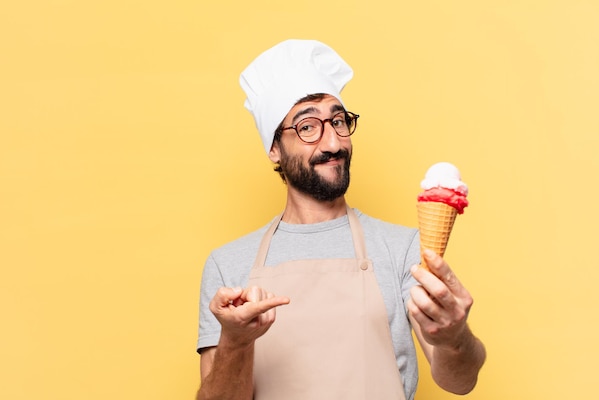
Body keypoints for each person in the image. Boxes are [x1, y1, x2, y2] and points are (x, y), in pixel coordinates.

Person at [196, 39, 486, 400]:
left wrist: (456, 337)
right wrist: (236, 342)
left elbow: (459, 382)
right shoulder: (228, 266)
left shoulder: (402, 249)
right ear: (273, 147)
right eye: (307, 126)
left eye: (338, 120)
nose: (333, 142)